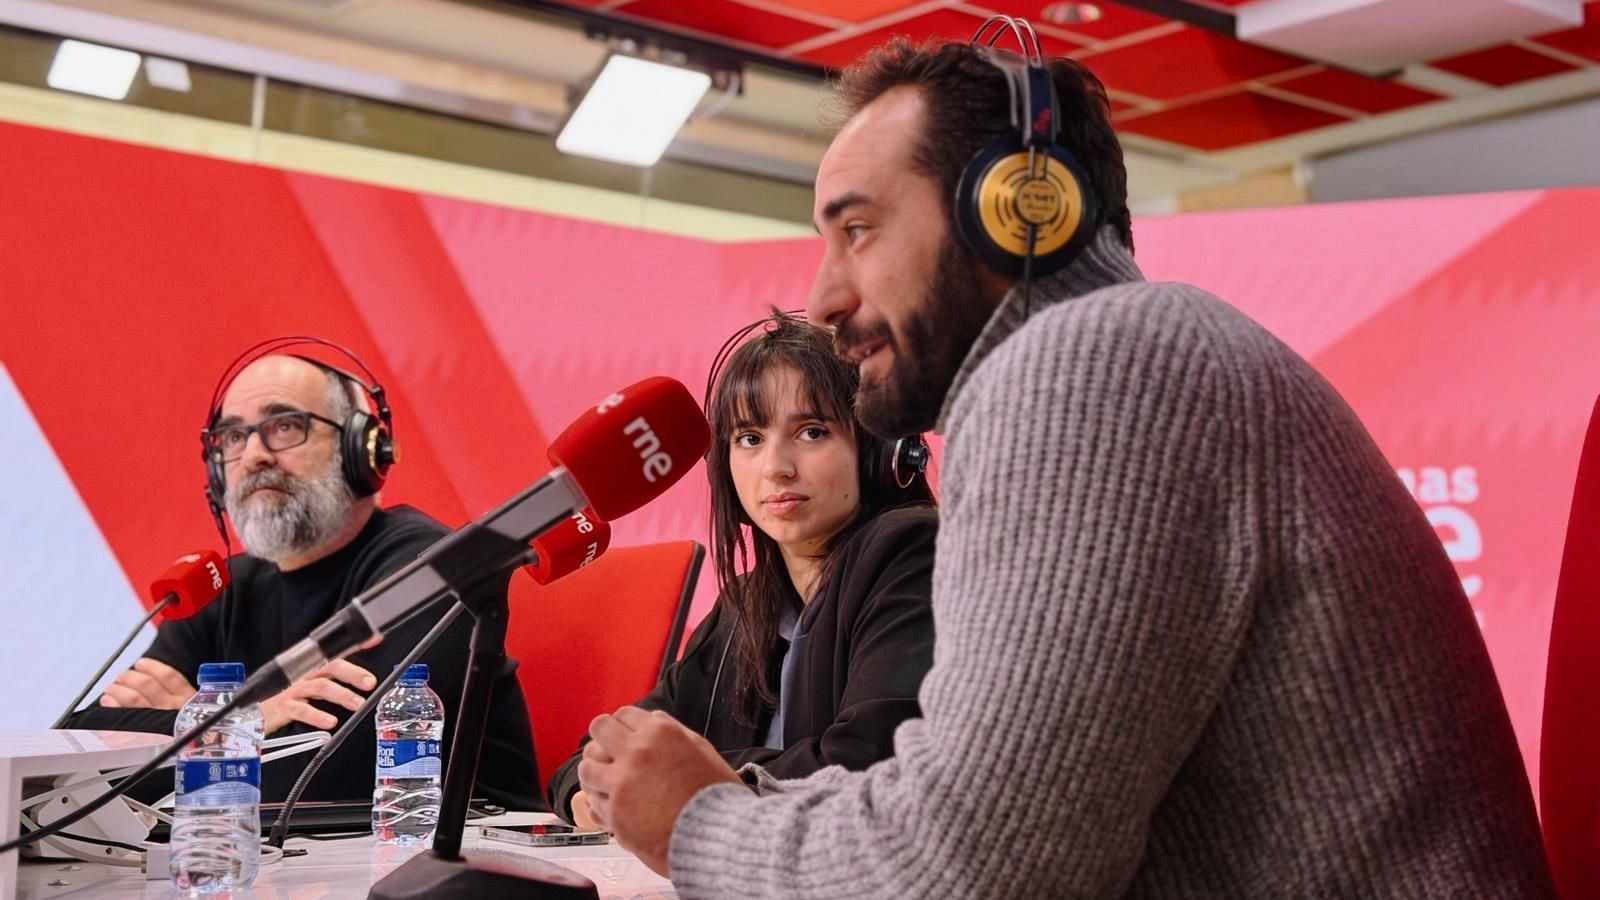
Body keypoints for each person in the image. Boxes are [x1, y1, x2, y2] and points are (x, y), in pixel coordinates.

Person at [575, 32, 1555, 897]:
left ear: (1017, 210)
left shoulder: (1090, 359)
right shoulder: (1136, 348)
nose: (825, 298)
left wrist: (701, 824)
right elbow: (964, 806)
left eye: (860, 230)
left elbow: (973, 868)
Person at [66, 345, 541, 811]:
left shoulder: (427, 569)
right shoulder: (220, 588)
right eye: (232, 437)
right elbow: (76, 760)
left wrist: (196, 727)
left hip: (447, 867)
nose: (253, 455)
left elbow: (327, 777)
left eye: (285, 427)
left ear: (361, 449)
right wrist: (250, 718)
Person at [547, 312, 937, 828]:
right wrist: (584, 790)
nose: (776, 466)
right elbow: (602, 750)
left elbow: (870, 765)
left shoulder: (914, 553)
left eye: (812, 431)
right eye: (750, 438)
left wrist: (683, 782)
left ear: (879, 453)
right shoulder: (746, 605)